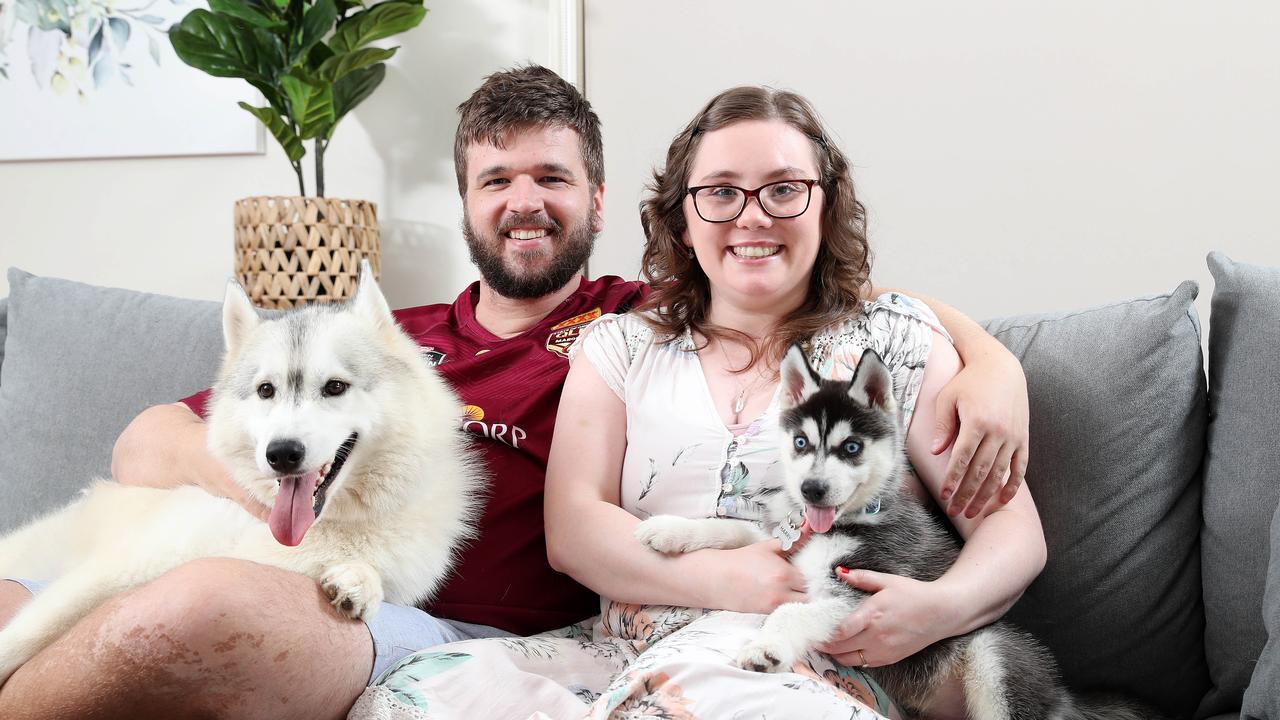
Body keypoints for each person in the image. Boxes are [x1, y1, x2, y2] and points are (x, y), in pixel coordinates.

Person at [0, 67, 1028, 719]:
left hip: (437, 625)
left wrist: (988, 358)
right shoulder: (385, 342)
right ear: (463, 204)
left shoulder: (641, 324)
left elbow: (806, 280)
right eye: (495, 180)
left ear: (594, 198)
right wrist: (302, 487)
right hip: (308, 562)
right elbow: (149, 441)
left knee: (193, 613)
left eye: (549, 176)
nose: (522, 201)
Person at [347, 84, 1046, 719]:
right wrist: (727, 578)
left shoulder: (894, 342)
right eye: (720, 192)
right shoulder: (621, 344)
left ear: (824, 203)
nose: (752, 216)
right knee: (407, 700)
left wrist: (938, 610)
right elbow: (576, 528)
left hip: (810, 652)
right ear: (683, 218)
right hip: (623, 646)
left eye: (783, 190)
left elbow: (1011, 531)